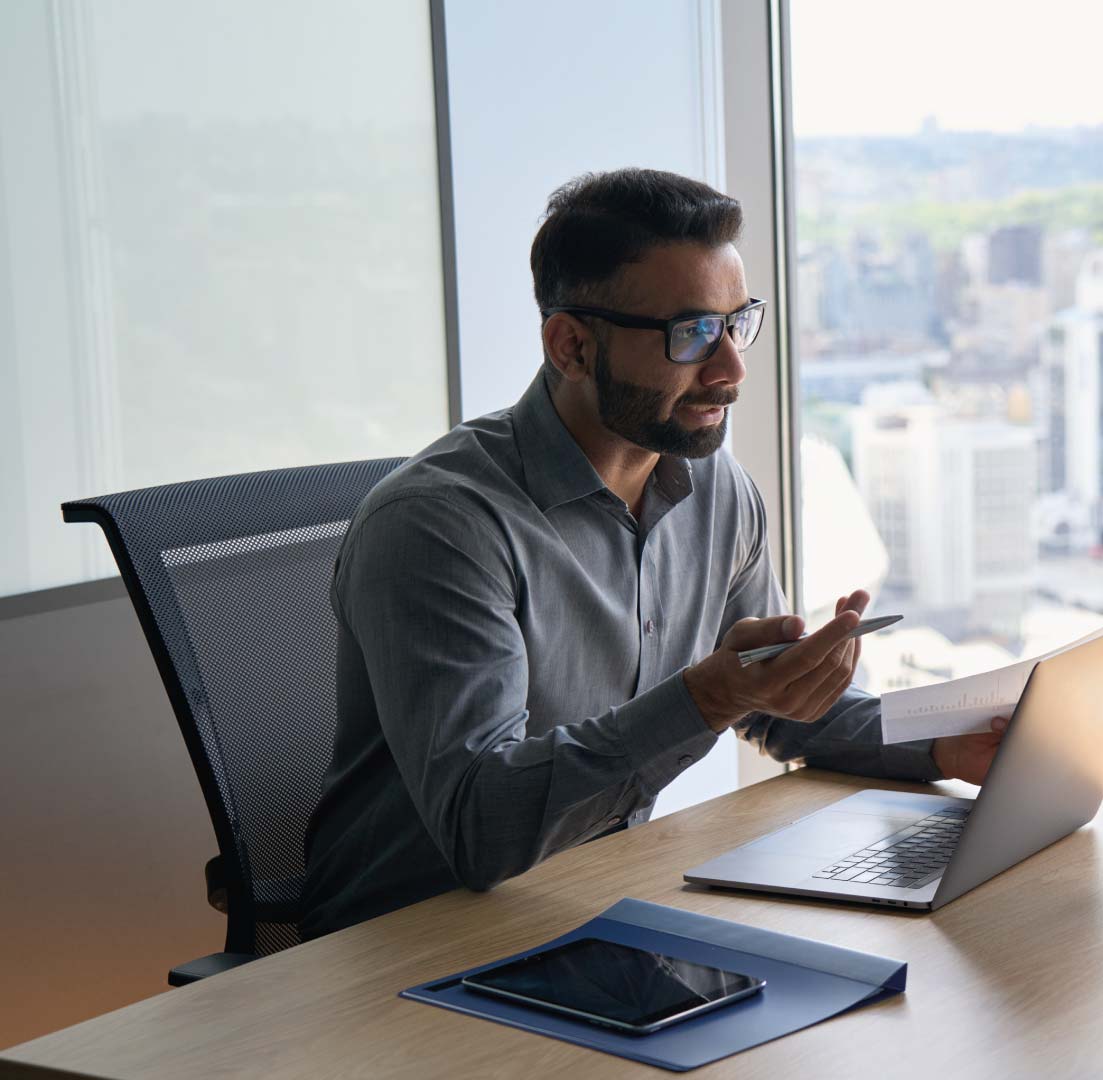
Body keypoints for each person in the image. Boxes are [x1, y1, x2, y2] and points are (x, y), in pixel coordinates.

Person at [301, 168, 1004, 938]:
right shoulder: (440, 527)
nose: (731, 369)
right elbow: (480, 828)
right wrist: (706, 699)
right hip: (404, 946)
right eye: (692, 333)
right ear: (572, 344)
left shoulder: (714, 488)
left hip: (591, 902)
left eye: (738, 324)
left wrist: (940, 742)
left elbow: (779, 705)